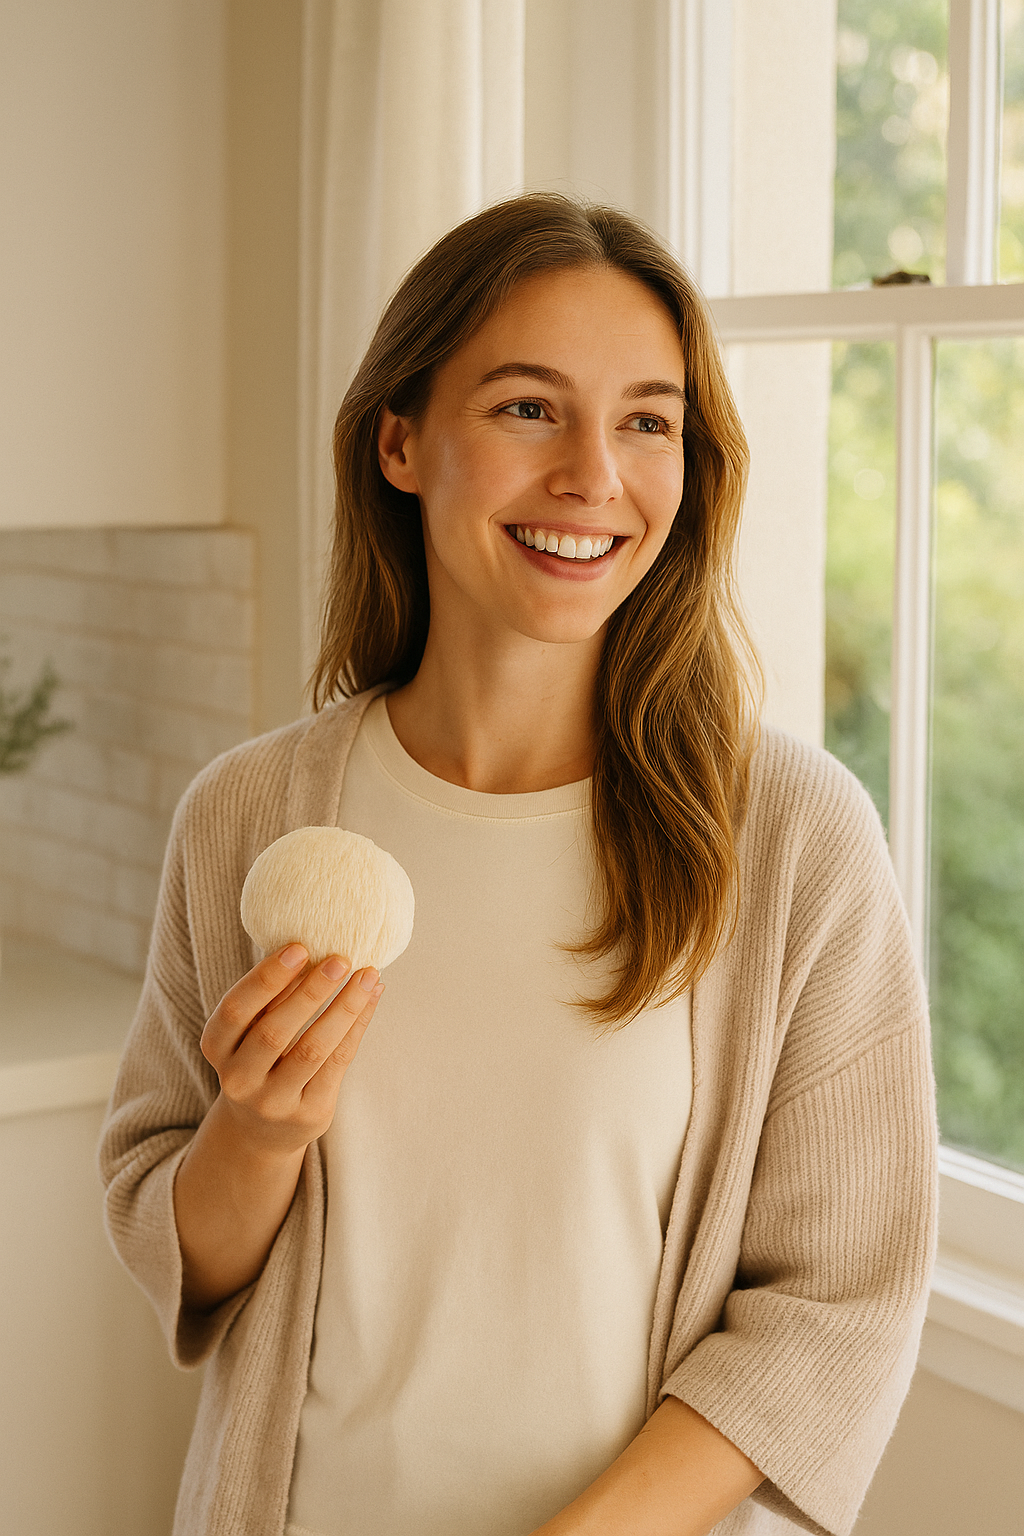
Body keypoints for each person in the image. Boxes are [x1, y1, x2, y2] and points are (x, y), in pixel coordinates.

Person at [98, 194, 937, 1536]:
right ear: (402, 442)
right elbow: (173, 1233)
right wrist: (252, 1134)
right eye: (528, 409)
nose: (594, 475)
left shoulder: (793, 840)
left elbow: (839, 1307)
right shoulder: (251, 814)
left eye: (648, 420)